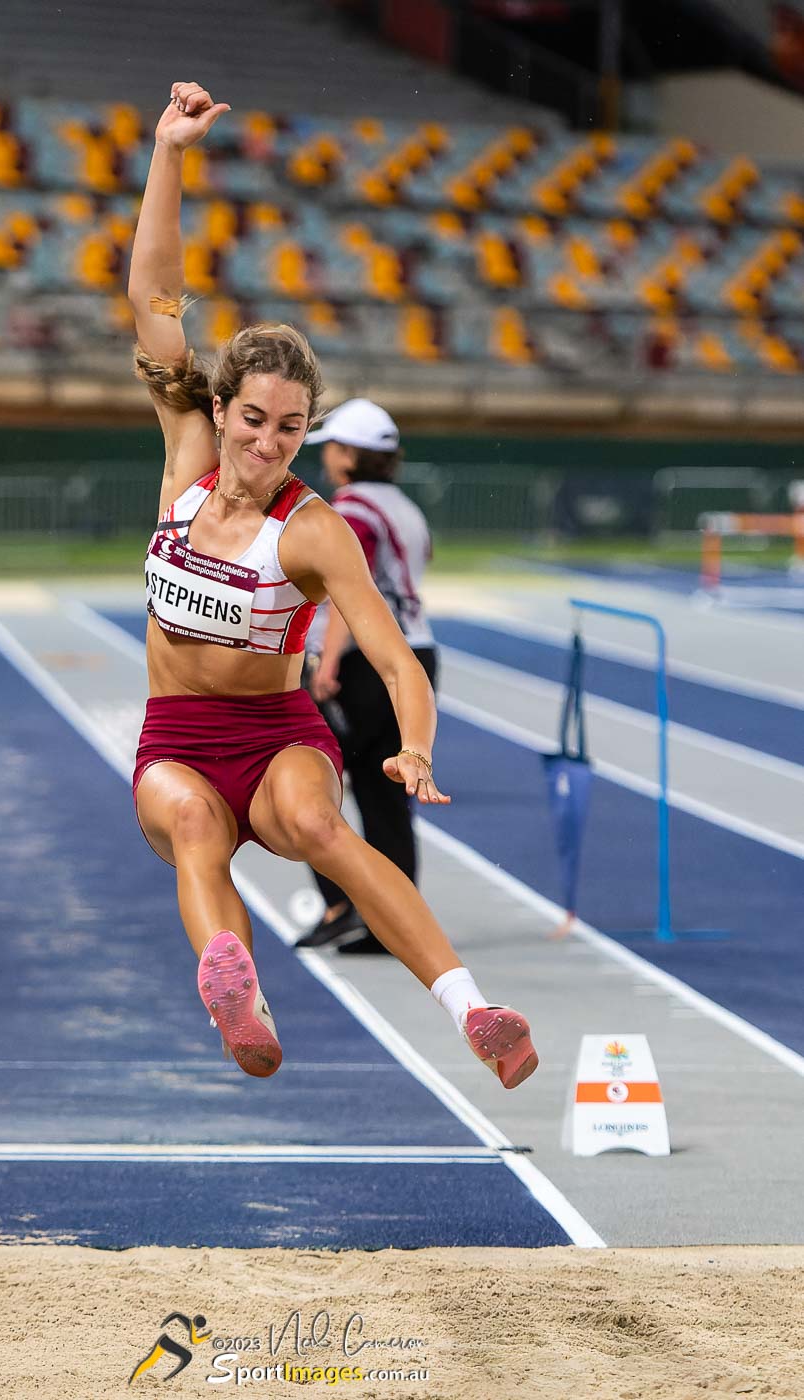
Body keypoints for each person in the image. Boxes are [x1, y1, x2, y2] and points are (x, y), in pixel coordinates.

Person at [128, 80, 537, 1091]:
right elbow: (152, 299)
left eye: (291, 425)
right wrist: (171, 155)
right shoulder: (184, 450)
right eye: (255, 416)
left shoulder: (312, 530)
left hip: (276, 738)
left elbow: (395, 655)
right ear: (219, 407)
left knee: (317, 826)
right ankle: (236, 988)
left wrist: (414, 745)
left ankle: (473, 1008)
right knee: (190, 825)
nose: (270, 441)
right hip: (176, 735)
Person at [297, 398, 437, 956]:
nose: (327, 459)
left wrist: (328, 663)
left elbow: (348, 594)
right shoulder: (403, 506)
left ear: (350, 453)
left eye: (332, 447)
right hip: (414, 652)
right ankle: (389, 920)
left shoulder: (353, 510)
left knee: (312, 781)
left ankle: (346, 907)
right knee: (385, 799)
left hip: (369, 663)